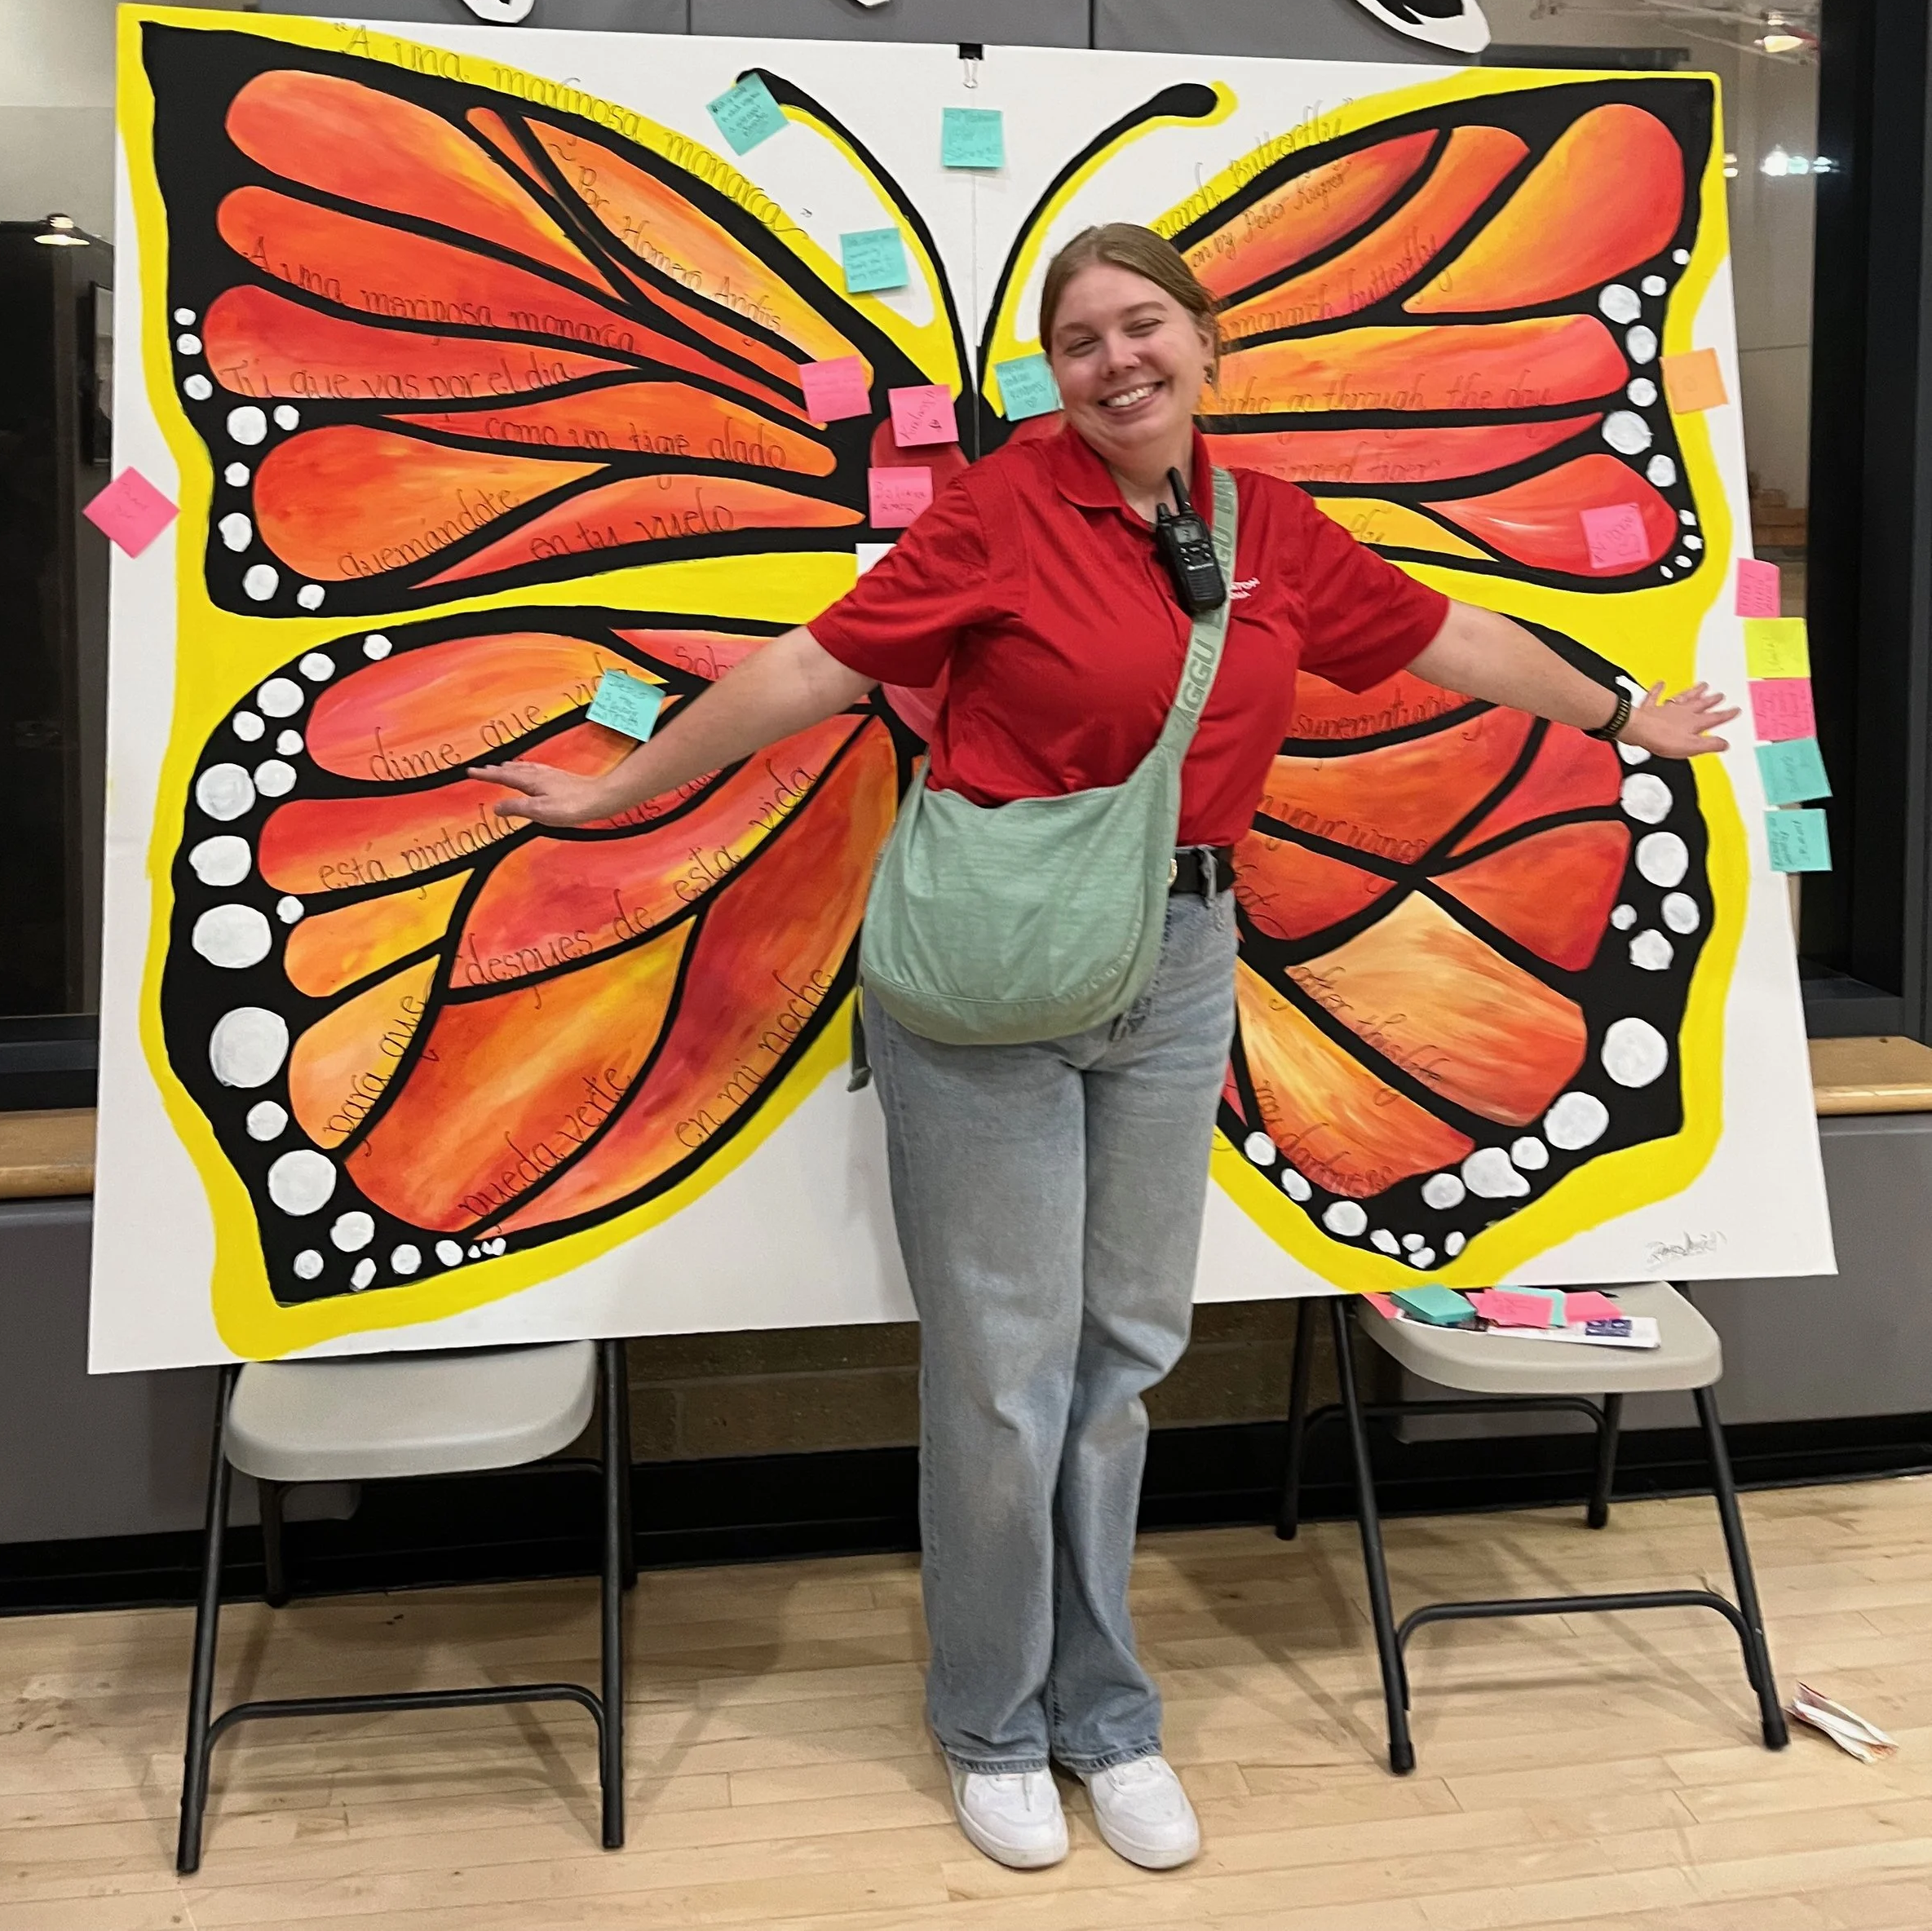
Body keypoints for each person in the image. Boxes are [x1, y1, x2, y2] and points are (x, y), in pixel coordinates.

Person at [470, 224, 1736, 1876]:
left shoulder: (1263, 524)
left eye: (1141, 325)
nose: (1114, 359)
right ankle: (992, 1722)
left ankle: (1104, 1712)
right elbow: (808, 666)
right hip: (992, 971)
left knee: (1123, 1352)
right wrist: (609, 792)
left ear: (1205, 343)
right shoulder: (998, 507)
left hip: (1180, 951)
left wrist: (1617, 709)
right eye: (1078, 339)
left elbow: (1435, 638)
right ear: (1052, 372)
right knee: (1004, 1372)